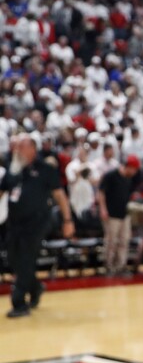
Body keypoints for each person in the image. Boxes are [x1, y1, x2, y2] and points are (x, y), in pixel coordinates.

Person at [2, 133, 73, 318]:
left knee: (26, 258)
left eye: (21, 146)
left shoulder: (45, 169)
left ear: (33, 148)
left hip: (38, 222)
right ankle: (35, 288)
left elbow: (59, 195)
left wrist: (67, 220)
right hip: (15, 222)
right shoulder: (14, 168)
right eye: (16, 146)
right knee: (14, 259)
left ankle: (19, 303)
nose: (17, 150)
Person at [98, 155, 142, 277]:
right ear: (128, 167)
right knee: (111, 242)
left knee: (124, 241)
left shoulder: (129, 179)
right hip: (111, 214)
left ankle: (121, 266)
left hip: (124, 214)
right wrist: (103, 209)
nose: (135, 172)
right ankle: (109, 266)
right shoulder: (111, 175)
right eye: (134, 169)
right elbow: (101, 193)